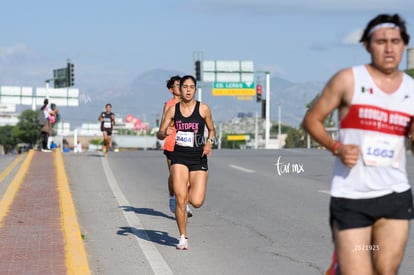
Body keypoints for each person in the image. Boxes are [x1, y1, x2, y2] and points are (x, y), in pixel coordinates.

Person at [303, 14, 414, 275]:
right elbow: (313, 120)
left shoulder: (412, 89)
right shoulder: (348, 80)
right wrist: (337, 148)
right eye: (381, 41)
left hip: (395, 193)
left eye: (395, 41)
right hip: (352, 196)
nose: (389, 48)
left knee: (386, 270)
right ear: (367, 45)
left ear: (404, 45)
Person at [157, 75, 215, 250]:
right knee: (181, 199)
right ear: (180, 89)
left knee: (196, 201)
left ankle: (184, 195)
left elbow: (212, 130)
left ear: (195, 89)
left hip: (198, 157)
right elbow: (159, 133)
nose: (188, 90)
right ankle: (182, 237)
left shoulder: (203, 109)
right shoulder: (173, 110)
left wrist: (209, 143)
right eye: (185, 87)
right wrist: (164, 132)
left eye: (192, 87)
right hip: (179, 156)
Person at [160, 75, 193, 217]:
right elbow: (163, 125)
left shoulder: (190, 103)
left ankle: (185, 204)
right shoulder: (169, 105)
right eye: (177, 85)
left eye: (182, 85)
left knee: (189, 178)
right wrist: (166, 129)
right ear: (171, 90)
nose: (180, 87)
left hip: (188, 144)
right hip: (172, 143)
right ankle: (173, 197)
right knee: (175, 176)